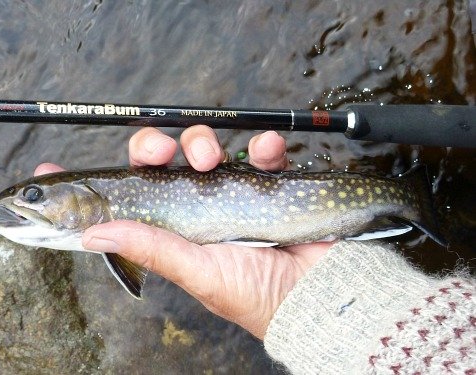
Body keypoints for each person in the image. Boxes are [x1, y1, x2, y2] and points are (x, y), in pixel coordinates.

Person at [36, 125, 475, 374]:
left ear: (84, 194)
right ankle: (413, 195)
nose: (24, 206)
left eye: (35, 197)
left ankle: (412, 195)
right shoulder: (117, 236)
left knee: (216, 158)